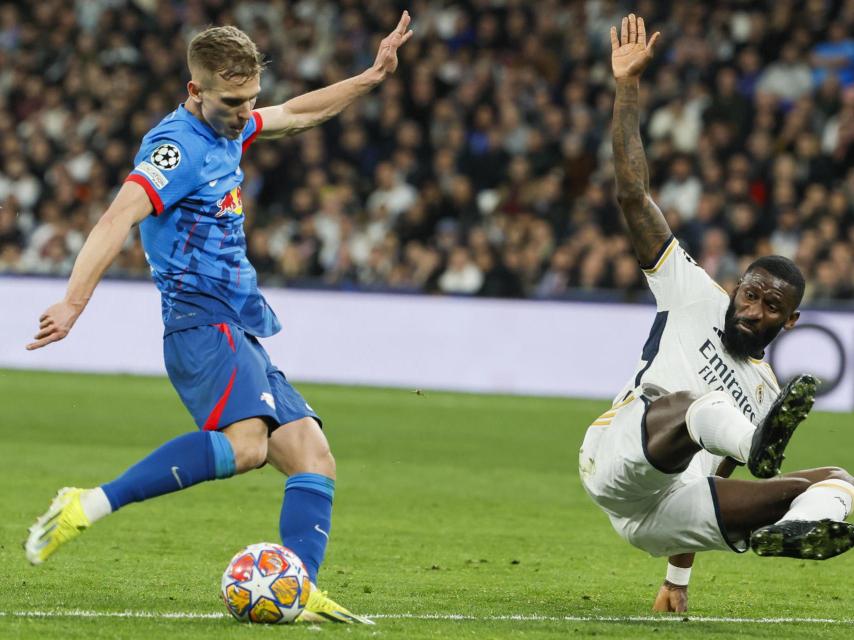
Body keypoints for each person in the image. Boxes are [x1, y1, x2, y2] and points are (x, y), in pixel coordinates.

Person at [24, 13, 414, 624]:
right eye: (232, 102)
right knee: (248, 445)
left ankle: (299, 588)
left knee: (312, 456)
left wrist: (370, 77)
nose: (244, 112)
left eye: (250, 98)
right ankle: (90, 503)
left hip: (238, 324)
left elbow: (297, 113)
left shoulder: (230, 126)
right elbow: (116, 217)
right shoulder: (176, 147)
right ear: (195, 91)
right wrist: (74, 302)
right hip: (200, 322)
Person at [578, 14, 854, 615]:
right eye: (750, 294)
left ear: (790, 323)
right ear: (735, 288)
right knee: (695, 406)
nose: (753, 310)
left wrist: (677, 579)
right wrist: (627, 89)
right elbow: (632, 195)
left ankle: (796, 529)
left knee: (838, 481)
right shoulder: (692, 291)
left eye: (772, 307)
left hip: (664, 517)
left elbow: (716, 480)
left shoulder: (767, 390)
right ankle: (761, 451)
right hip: (616, 458)